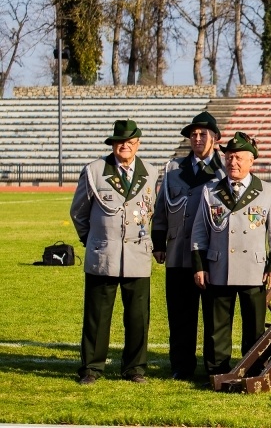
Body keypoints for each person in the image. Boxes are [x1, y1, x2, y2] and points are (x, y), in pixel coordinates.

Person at [190, 131, 271, 376]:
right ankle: (216, 371)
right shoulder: (210, 190)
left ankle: (251, 370)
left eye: (239, 158)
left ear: (251, 161)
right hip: (218, 267)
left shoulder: (268, 192)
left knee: (254, 327)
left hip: (254, 270)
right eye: (229, 158)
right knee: (216, 326)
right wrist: (199, 266)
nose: (233, 162)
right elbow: (200, 232)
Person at [70, 119, 159, 385]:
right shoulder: (95, 171)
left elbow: (152, 211)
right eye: (120, 142)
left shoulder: (151, 173)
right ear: (113, 144)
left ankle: (135, 369)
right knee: (97, 316)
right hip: (103, 255)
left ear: (138, 144)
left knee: (137, 317)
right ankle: (91, 368)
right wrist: (93, 240)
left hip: (138, 255)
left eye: (131, 142)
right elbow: (78, 212)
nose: (126, 147)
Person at [151, 111, 226, 380]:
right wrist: (159, 242)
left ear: (215, 138)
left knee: (213, 316)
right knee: (180, 313)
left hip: (211, 256)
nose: (197, 138)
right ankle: (181, 366)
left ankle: (213, 366)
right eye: (193, 134)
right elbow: (161, 209)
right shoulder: (173, 170)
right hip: (178, 254)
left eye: (202, 134)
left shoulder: (224, 171)